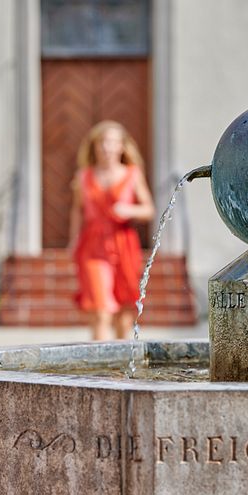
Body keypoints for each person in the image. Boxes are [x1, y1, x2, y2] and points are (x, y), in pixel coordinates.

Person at [68, 121, 155, 341]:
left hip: (123, 243)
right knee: (100, 309)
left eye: (112, 142)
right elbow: (77, 211)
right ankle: (99, 369)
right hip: (93, 245)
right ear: (95, 147)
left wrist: (129, 209)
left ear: (122, 147)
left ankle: (120, 365)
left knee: (125, 310)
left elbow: (149, 210)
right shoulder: (83, 177)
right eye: (102, 142)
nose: (107, 147)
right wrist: (73, 241)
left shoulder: (132, 174)